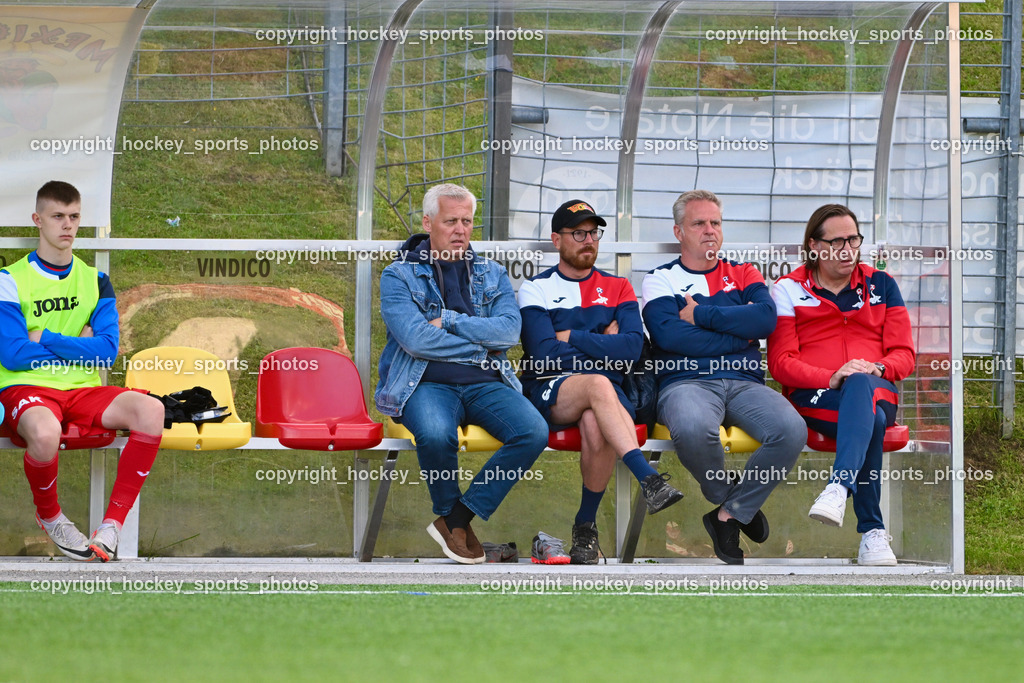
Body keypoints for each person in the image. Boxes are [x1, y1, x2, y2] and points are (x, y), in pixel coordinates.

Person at [375, 183, 548, 565]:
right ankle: (454, 521)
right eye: (450, 220)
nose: (460, 230)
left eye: (467, 221)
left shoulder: (492, 272)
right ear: (427, 222)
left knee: (533, 431)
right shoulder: (398, 275)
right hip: (425, 382)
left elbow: (508, 332)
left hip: (486, 382)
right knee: (436, 434)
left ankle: (457, 517)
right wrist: (477, 347)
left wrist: (449, 321)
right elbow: (416, 340)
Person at [0, 180, 165, 562]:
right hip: (28, 388)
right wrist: (79, 346)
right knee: (45, 431)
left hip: (82, 390)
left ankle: (111, 527)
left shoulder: (96, 280)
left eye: (74, 217)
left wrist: (44, 337)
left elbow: (106, 352)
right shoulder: (9, 280)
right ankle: (51, 517)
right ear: (37, 220)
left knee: (152, 411)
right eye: (58, 216)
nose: (67, 226)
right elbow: (11, 353)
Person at [641, 189, 805, 565]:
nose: (710, 230)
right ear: (679, 231)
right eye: (699, 223)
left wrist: (701, 315)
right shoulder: (660, 279)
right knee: (695, 427)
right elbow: (669, 337)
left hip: (745, 382)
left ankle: (730, 514)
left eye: (715, 223)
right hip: (685, 381)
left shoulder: (743, 272)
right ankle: (727, 495)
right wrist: (738, 331)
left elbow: (764, 320)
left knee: (791, 429)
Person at [518, 199, 684, 564]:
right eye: (578, 233)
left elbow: (632, 349)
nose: (588, 240)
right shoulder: (536, 288)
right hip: (552, 387)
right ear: (556, 240)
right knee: (596, 384)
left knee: (595, 415)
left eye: (594, 232)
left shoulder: (619, 286)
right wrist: (604, 341)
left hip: (607, 391)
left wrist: (571, 337)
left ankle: (584, 528)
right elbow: (543, 355)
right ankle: (649, 479)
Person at [767, 203, 915, 566]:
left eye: (853, 239)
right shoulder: (787, 289)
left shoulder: (882, 284)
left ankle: (838, 488)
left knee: (862, 384)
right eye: (836, 242)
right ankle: (872, 532)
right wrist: (831, 376)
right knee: (873, 422)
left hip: (877, 388)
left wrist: (878, 367)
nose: (847, 249)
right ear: (814, 246)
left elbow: (905, 355)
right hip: (817, 396)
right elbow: (781, 363)